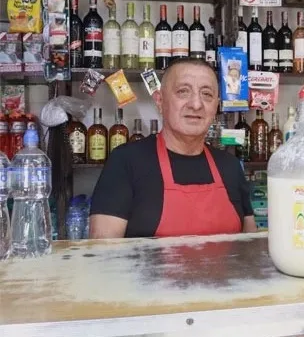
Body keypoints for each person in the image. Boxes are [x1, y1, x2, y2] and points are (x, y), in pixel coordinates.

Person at [89, 59, 256, 238]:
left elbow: (250, 246)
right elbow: (105, 255)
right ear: (160, 101)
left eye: (206, 94)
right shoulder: (126, 162)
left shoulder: (230, 166)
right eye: (183, 91)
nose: (196, 104)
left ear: (216, 105)